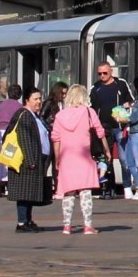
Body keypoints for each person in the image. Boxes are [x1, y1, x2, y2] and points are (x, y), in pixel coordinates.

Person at [50, 84, 108, 234]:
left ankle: (67, 226)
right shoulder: (89, 112)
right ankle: (88, 225)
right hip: (85, 158)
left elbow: (56, 138)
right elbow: (100, 133)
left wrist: (57, 158)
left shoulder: (60, 116)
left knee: (68, 194)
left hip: (66, 158)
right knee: (85, 192)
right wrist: (107, 151)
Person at [3, 87, 52, 232]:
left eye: (40, 98)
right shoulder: (24, 114)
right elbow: (24, 139)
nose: (39, 101)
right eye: (35, 99)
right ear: (27, 100)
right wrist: (31, 160)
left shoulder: (34, 115)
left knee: (30, 192)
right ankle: (22, 223)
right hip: (26, 162)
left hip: (35, 159)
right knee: (23, 193)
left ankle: (28, 220)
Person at [89, 62, 136, 194]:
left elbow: (132, 100)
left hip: (119, 126)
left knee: (123, 158)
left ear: (111, 72)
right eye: (99, 74)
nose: (102, 76)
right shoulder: (95, 88)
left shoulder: (120, 83)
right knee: (106, 158)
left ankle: (127, 187)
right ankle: (109, 188)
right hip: (104, 128)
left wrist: (128, 106)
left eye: (105, 73)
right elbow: (90, 108)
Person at [0, 78, 24, 193]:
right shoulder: (19, 107)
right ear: (20, 95)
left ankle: (0, 185)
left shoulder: (1, 105)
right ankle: (9, 186)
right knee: (9, 157)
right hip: (10, 134)